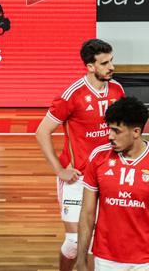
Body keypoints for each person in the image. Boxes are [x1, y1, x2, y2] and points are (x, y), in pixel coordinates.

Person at [34, 39, 125, 271]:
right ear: (90, 67)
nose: (111, 67)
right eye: (104, 63)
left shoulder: (117, 90)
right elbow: (42, 132)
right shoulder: (71, 95)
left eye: (111, 60)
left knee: (98, 242)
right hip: (78, 179)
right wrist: (59, 170)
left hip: (107, 176)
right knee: (75, 242)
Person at [75, 95, 149, 271]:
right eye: (109, 129)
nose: (110, 136)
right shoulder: (98, 157)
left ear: (136, 132)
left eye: (116, 131)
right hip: (105, 258)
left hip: (146, 261)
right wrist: (81, 259)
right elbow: (87, 214)